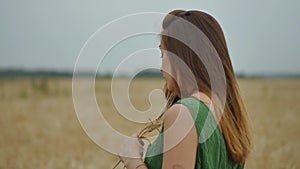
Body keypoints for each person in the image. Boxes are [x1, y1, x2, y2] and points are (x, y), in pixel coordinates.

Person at [118, 9, 251, 169]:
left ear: (181, 58)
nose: (161, 68)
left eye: (163, 54)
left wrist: (132, 160)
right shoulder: (228, 116)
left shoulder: (184, 114)